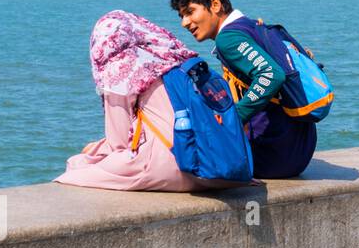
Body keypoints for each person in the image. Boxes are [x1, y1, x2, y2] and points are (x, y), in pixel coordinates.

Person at [57, 11, 244, 192]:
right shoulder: (174, 57)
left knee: (78, 166)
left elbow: (119, 143)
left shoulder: (119, 69)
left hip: (178, 169)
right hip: (222, 168)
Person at [169, 0, 317, 177]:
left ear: (215, 5)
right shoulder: (252, 26)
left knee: (184, 154)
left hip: (272, 155)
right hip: (300, 151)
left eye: (190, 12)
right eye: (181, 15)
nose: (184, 23)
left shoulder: (228, 39)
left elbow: (271, 75)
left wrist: (234, 118)